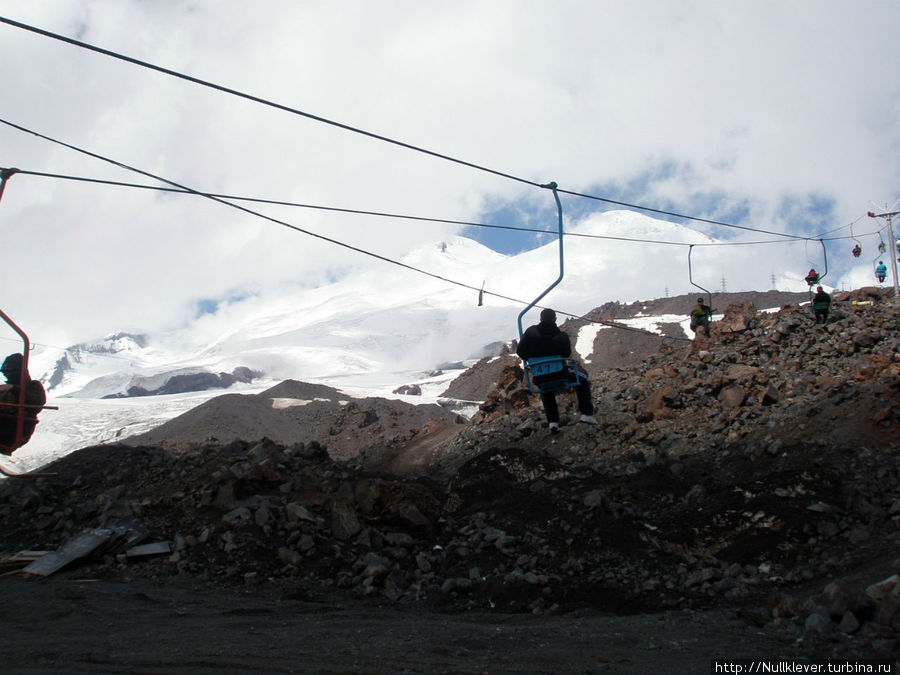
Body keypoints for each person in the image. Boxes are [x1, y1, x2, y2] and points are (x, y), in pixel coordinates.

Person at [516, 308, 597, 432]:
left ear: (540, 319)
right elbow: (567, 353)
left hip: (539, 377)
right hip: (560, 375)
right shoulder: (560, 336)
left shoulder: (530, 332)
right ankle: (587, 414)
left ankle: (553, 422)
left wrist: (534, 358)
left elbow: (520, 352)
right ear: (554, 319)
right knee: (583, 380)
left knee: (546, 389)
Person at [0, 353, 47, 454]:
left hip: (14, 431)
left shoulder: (33, 386)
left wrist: (15, 390)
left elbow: (37, 403)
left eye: (10, 372)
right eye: (5, 372)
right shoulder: (4, 389)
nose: (7, 375)